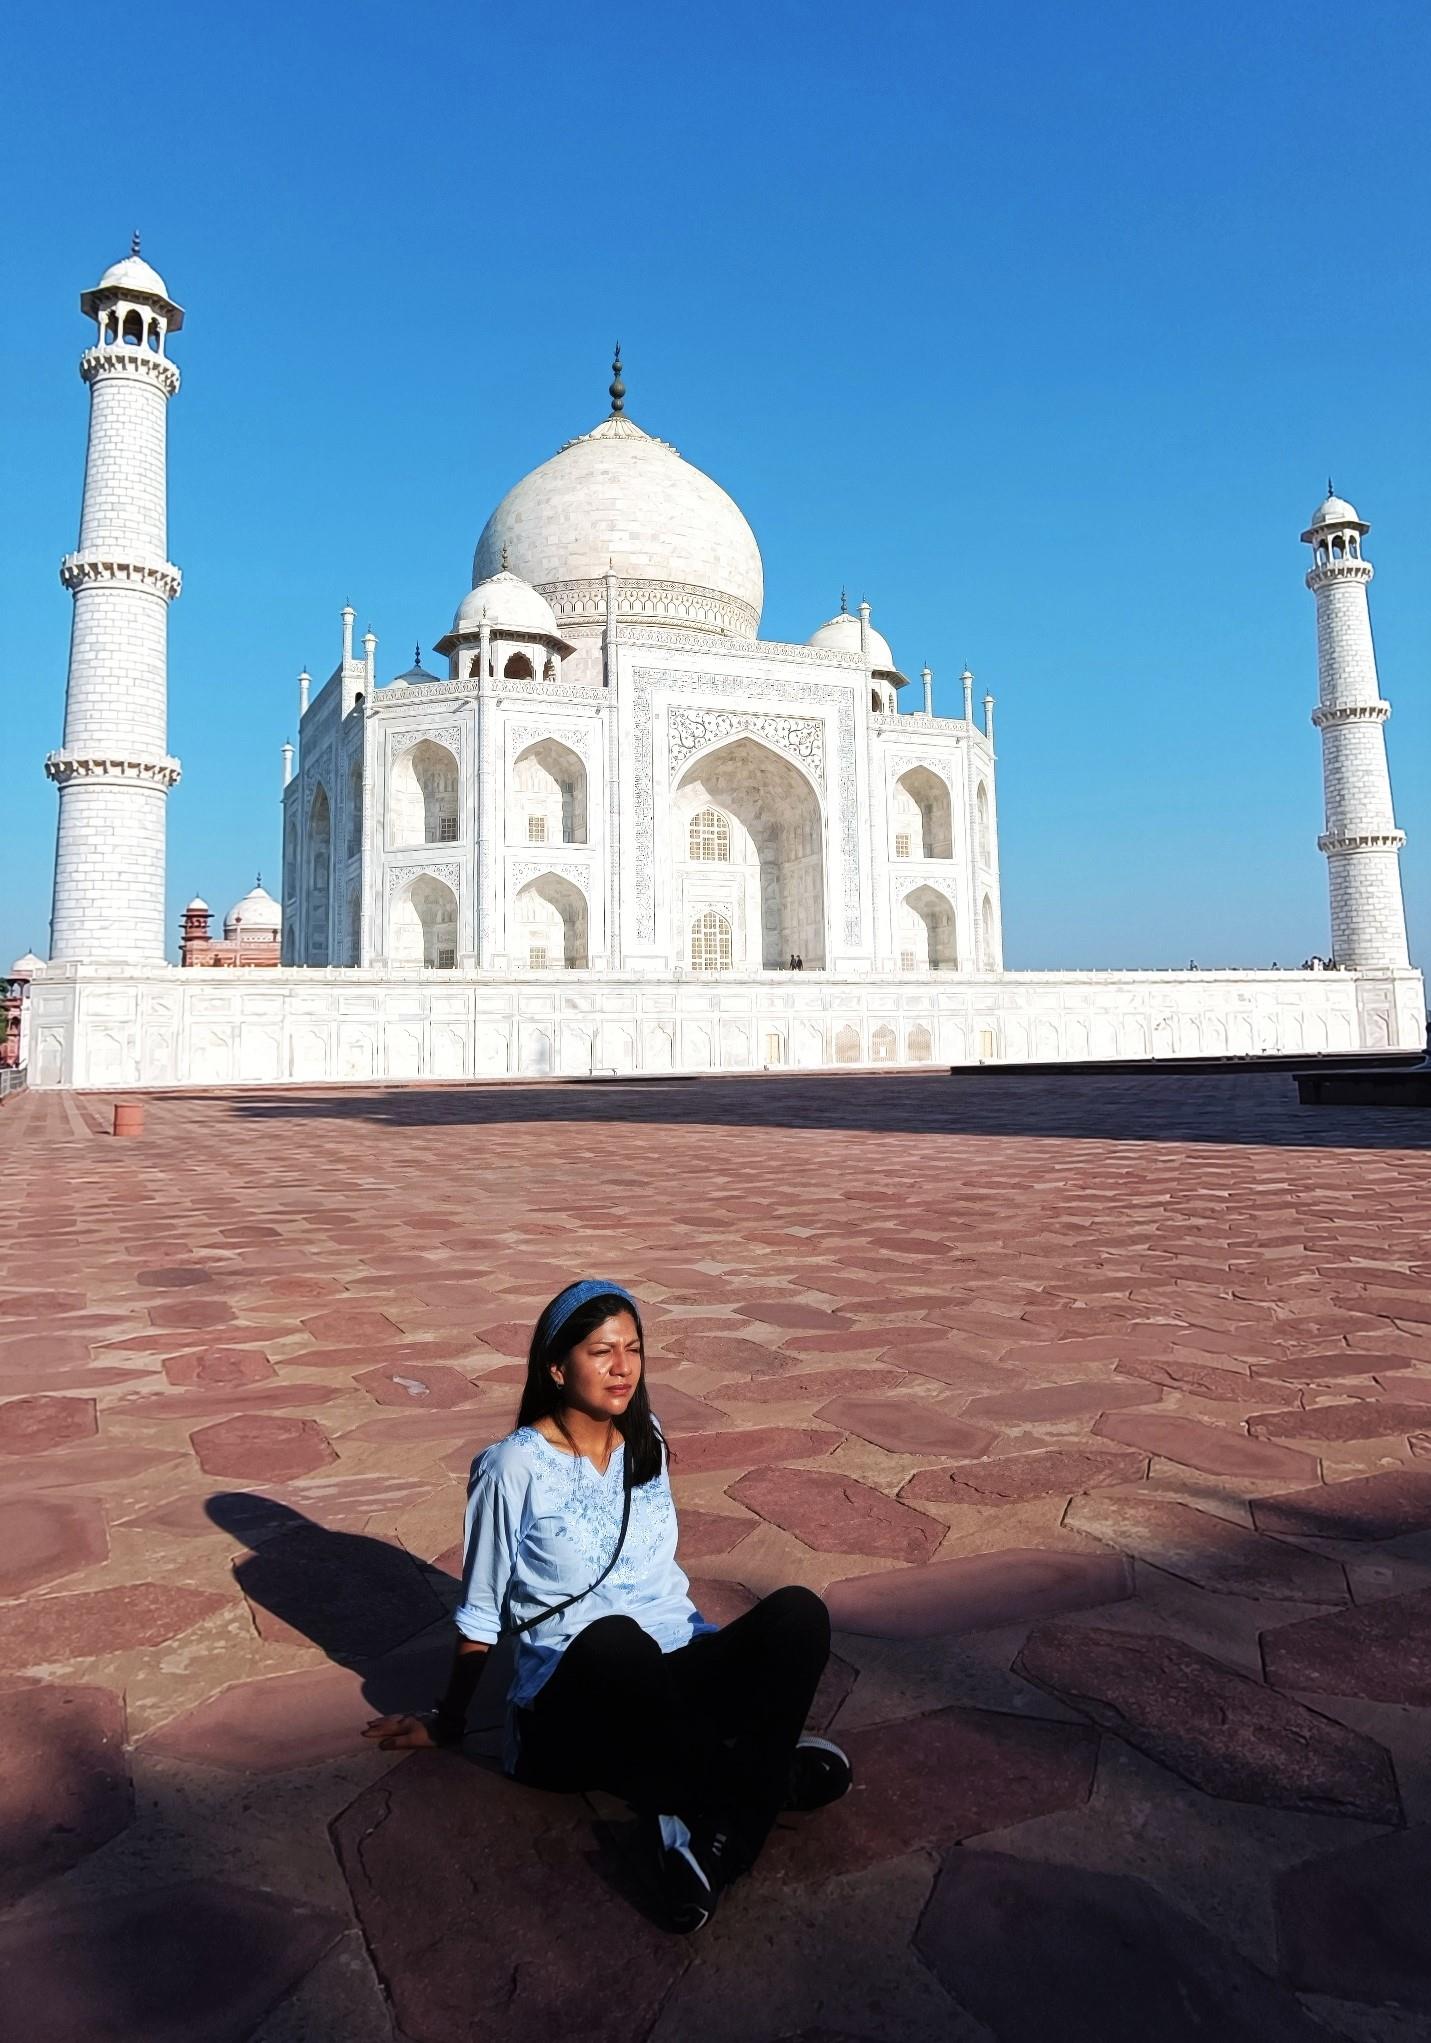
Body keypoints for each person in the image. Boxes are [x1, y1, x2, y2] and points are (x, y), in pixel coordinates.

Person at [364, 1278, 851, 1932]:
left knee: (799, 1613)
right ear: (556, 1366)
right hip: (572, 1708)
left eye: (633, 1348)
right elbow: (480, 1611)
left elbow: (655, 1578)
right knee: (616, 1640)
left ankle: (714, 1829)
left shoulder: (646, 1437)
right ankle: (755, 1793)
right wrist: (450, 1721)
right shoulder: (511, 1467)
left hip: (673, 1671)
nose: (622, 1366)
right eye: (600, 1351)